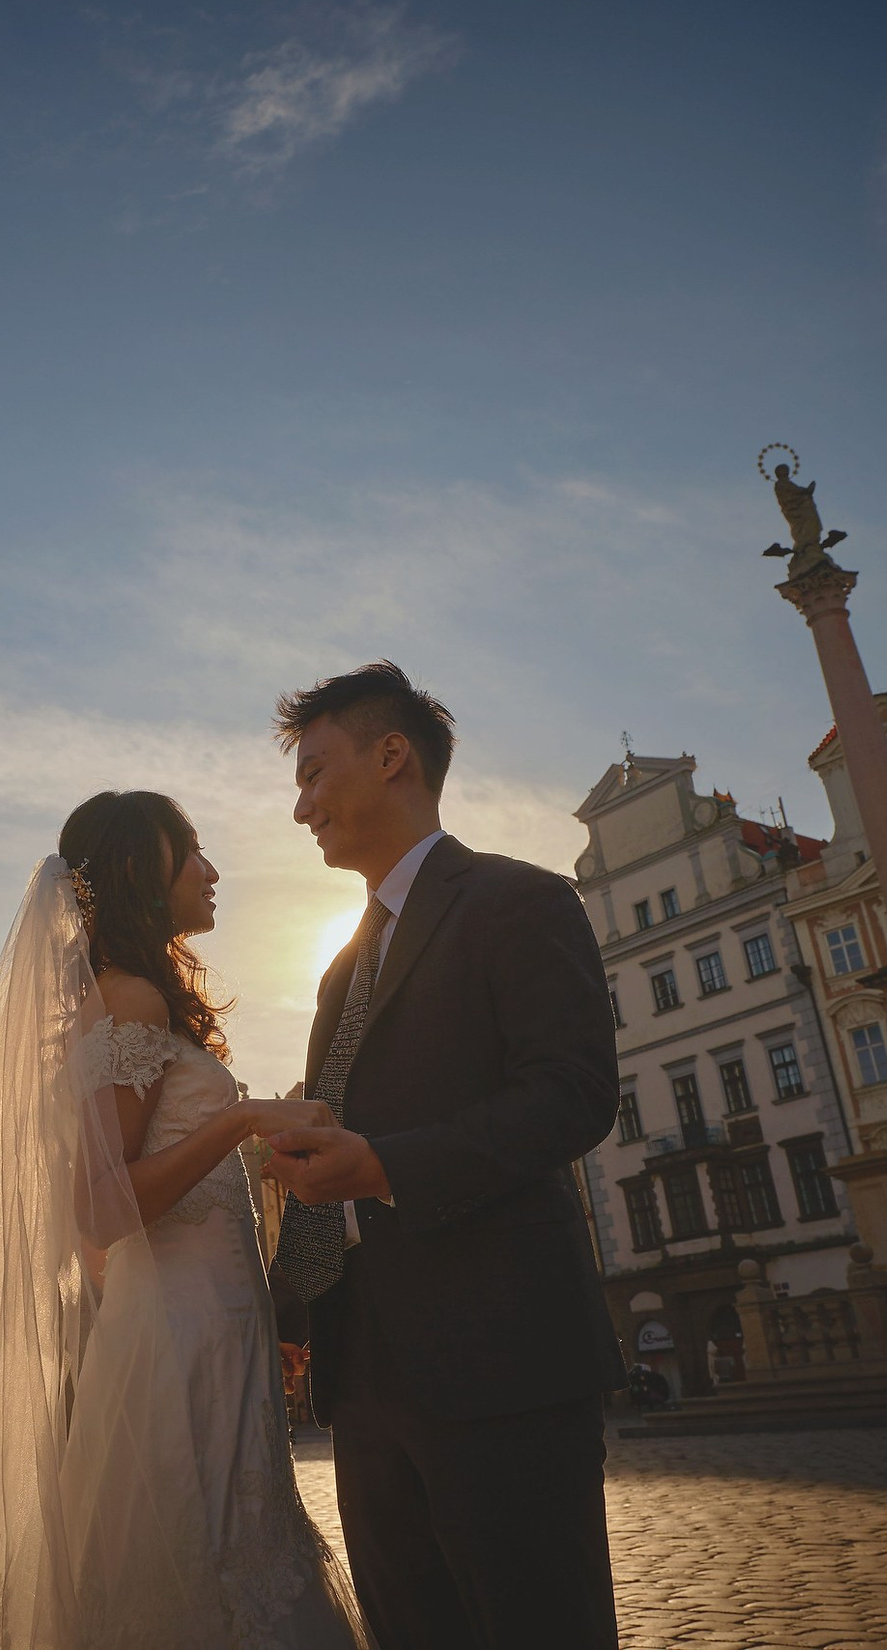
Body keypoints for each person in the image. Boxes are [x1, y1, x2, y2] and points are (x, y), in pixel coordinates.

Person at [0, 791, 366, 1648]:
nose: (212, 870)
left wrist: (264, 1150)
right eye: (190, 850)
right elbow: (100, 1204)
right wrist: (241, 1121)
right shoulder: (132, 1002)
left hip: (206, 1322)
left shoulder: (129, 998)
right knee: (210, 1573)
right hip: (187, 1331)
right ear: (137, 874)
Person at [265, 660, 626, 1649]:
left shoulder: (519, 899)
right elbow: (341, 1133)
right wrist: (288, 1300)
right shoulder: (343, 960)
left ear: (391, 757)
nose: (301, 807)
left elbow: (574, 1093)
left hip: (501, 1360)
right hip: (364, 1378)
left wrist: (382, 1163)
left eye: (312, 772)